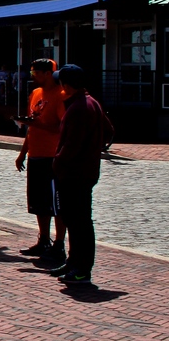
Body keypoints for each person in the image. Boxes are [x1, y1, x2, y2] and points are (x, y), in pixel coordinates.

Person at [45, 64, 114, 286]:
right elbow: (109, 131)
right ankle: (74, 262)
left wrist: (58, 163)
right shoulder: (91, 103)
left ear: (66, 85)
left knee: (79, 222)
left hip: (74, 174)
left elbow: (71, 145)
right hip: (85, 171)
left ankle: (82, 269)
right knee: (75, 220)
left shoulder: (78, 108)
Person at [15, 59, 67, 263]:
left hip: (52, 156)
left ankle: (59, 243)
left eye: (35, 72)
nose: (32, 75)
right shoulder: (36, 94)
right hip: (35, 155)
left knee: (56, 204)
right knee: (38, 203)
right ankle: (43, 239)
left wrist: (38, 125)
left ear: (48, 73)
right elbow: (32, 127)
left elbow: (62, 128)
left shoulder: (60, 95)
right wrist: (22, 153)